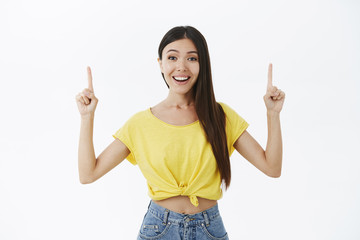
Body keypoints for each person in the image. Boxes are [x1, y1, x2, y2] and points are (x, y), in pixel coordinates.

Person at [75, 26, 285, 240]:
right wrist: (86, 117)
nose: (181, 67)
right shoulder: (140, 124)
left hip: (209, 229)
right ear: (161, 64)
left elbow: (272, 167)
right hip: (158, 229)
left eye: (192, 59)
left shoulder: (221, 116)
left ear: (202, 64)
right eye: (172, 57)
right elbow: (88, 174)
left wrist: (273, 114)